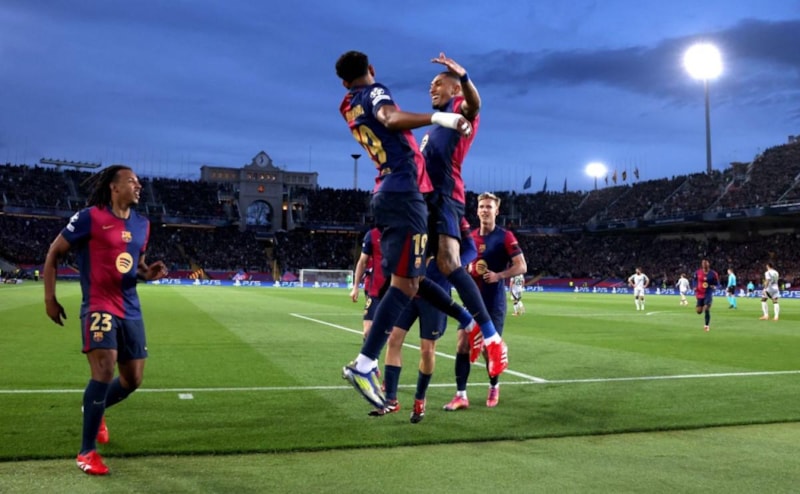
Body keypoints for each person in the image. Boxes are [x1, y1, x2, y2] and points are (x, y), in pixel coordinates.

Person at [336, 50, 485, 410]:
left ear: (344, 82)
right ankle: (364, 364)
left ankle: (465, 320)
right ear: (371, 69)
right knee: (406, 285)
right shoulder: (375, 92)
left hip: (387, 191)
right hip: (404, 193)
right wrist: (438, 117)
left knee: (411, 281)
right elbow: (389, 117)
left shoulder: (348, 105)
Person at [43, 165, 168, 476]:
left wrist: (147, 274)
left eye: (139, 182)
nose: (139, 186)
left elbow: (135, 266)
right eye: (132, 181)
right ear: (114, 187)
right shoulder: (90, 217)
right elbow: (54, 253)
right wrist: (49, 299)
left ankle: (94, 408)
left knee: (132, 380)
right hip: (99, 305)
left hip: (131, 308)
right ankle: (86, 452)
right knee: (104, 367)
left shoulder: (142, 225)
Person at [420, 52, 509, 378]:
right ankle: (469, 320)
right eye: (431, 84)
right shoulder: (436, 122)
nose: (431, 88)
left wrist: (464, 75)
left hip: (446, 197)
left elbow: (475, 105)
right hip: (425, 202)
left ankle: (490, 336)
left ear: (454, 89)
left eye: (438, 83)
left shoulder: (459, 108)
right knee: (411, 275)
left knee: (449, 264)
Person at [377, 219, 477, 423]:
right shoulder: (415, 211)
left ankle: (420, 399)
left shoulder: (453, 216)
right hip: (409, 289)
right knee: (393, 339)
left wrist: (450, 265)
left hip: (436, 294)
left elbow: (471, 250)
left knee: (427, 350)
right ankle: (390, 399)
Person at [445, 192, 527, 410]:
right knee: (462, 343)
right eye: (481, 206)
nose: (484, 210)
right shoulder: (470, 237)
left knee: (489, 349)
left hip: (493, 302)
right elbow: (459, 263)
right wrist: (467, 269)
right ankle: (461, 395)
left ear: (496, 211)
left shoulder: (505, 237)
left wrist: (499, 275)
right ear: (477, 210)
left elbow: (521, 265)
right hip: (471, 301)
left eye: (489, 207)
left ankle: (494, 386)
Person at [349, 227, 385, 341]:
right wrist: (355, 287)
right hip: (375, 290)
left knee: (392, 334)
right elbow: (362, 262)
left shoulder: (401, 232)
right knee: (368, 331)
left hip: (395, 290)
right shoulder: (372, 235)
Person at [693, 259, 719, 332]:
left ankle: (706, 325)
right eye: (703, 264)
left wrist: (714, 286)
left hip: (708, 293)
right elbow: (694, 280)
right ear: (702, 265)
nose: (704, 266)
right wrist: (695, 286)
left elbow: (717, 283)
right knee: (699, 311)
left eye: (706, 264)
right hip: (699, 293)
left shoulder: (713, 274)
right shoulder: (697, 272)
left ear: (708, 265)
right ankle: (701, 306)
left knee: (707, 308)